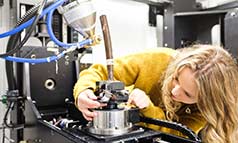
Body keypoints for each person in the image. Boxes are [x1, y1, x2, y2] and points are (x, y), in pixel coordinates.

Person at [73, 44, 238, 143]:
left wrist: (148, 109)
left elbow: (178, 133)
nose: (175, 91)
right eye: (176, 79)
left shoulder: (206, 110)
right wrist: (83, 91)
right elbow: (98, 72)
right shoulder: (157, 59)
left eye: (187, 94)